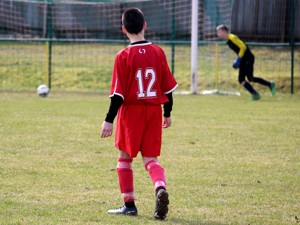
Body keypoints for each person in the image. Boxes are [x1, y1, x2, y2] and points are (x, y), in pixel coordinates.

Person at [100, 8, 178, 220]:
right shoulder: (158, 52)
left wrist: (108, 120)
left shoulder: (123, 56)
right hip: (153, 111)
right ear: (145, 25)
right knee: (151, 158)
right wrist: (167, 113)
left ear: (123, 29)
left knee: (124, 158)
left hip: (131, 113)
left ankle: (129, 205)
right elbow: (168, 88)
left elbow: (117, 94)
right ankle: (160, 186)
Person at [216, 24, 276, 100]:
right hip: (243, 60)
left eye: (219, 32)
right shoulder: (229, 40)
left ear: (224, 32)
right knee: (243, 79)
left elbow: (243, 47)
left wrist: (238, 59)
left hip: (248, 58)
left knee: (250, 78)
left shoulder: (232, 37)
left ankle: (266, 87)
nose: (218, 34)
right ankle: (258, 92)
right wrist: (237, 60)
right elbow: (239, 50)